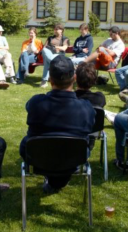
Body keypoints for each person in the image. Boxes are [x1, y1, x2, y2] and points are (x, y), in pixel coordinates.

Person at [20, 56, 96, 193]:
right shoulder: (86, 108)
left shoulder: (36, 102)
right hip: (73, 160)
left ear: (50, 79)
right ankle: (57, 182)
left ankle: (55, 182)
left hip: (38, 159)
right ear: (74, 78)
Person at [40, 24, 70, 88]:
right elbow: (44, 48)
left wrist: (56, 47)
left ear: (61, 30)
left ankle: (44, 81)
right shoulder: (50, 38)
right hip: (49, 54)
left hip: (58, 55)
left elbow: (64, 48)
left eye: (57, 29)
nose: (55, 31)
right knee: (45, 50)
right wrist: (53, 49)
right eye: (54, 29)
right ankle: (53, 62)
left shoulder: (64, 39)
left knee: (47, 62)